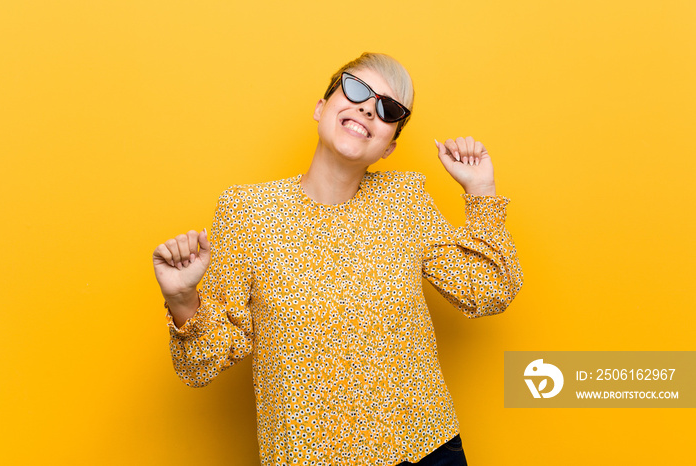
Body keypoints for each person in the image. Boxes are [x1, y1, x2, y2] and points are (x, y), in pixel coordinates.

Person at [152, 52, 523, 466]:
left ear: (389, 146)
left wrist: (481, 191)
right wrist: (183, 301)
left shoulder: (404, 200)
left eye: (388, 109)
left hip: (425, 451)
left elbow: (488, 293)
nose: (368, 107)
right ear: (320, 106)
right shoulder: (247, 212)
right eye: (356, 89)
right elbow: (204, 363)